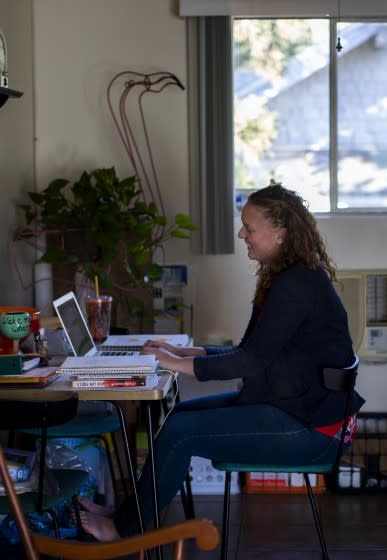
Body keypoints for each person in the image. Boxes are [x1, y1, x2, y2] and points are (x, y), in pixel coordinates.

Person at [77, 183, 364, 540]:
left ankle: (126, 529)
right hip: (298, 410)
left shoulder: (297, 284)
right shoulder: (289, 277)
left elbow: (251, 361)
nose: (242, 233)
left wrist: (173, 364)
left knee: (180, 434)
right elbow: (250, 349)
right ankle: (129, 514)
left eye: (250, 227)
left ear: (281, 233)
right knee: (178, 417)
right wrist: (186, 353)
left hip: (312, 429)